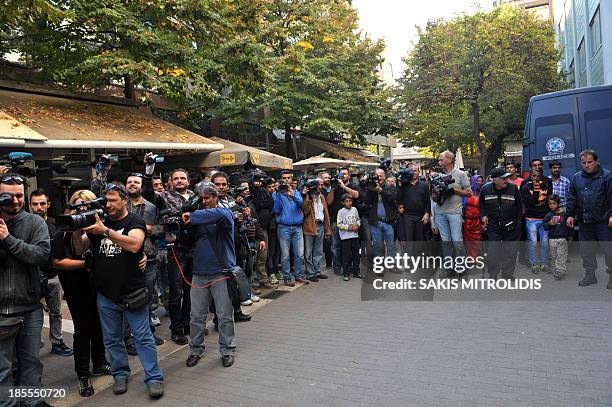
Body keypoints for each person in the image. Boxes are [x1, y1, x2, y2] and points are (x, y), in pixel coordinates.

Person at [72, 182, 164, 398]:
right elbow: (79, 248)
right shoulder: (98, 222)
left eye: (114, 200)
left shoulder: (134, 220)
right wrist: (77, 229)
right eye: (106, 201)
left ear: (124, 200)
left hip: (133, 292)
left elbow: (134, 245)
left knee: (143, 338)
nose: (109, 204)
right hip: (106, 294)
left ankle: (154, 378)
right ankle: (120, 374)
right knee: (112, 339)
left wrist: (106, 231)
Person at [52, 190, 111, 397]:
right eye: (78, 205)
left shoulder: (99, 230)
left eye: (86, 205)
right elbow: (60, 260)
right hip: (77, 289)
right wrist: (86, 263)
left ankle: (100, 363)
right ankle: (83, 375)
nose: (83, 209)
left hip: (99, 286)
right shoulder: (63, 232)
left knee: (99, 327)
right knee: (83, 331)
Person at [0, 173, 51, 407]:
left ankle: (31, 402)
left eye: (20, 195)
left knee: (31, 363)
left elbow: (41, 255)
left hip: (29, 308)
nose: (15, 200)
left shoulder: (35, 223)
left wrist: (8, 239)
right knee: (3, 368)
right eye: (8, 196)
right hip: (1, 311)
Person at [183, 182, 236, 369]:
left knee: (224, 315)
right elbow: (187, 242)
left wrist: (191, 214)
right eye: (201, 198)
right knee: (196, 316)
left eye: (207, 198)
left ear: (215, 197)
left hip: (221, 272)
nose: (204, 202)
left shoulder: (224, 213)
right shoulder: (196, 218)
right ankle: (195, 350)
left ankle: (228, 350)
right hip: (199, 272)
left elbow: (220, 215)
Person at [142, 164, 194, 345]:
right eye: (176, 178)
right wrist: (149, 171)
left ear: (188, 181)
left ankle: (187, 323)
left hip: (194, 248)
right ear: (170, 182)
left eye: (183, 178)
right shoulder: (163, 196)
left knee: (190, 290)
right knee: (176, 291)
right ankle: (176, 329)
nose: (179, 181)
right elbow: (148, 193)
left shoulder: (196, 197)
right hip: (174, 248)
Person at [29, 189, 74, 357]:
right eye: (35, 204)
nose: (39, 207)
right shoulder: (26, 224)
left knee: (56, 312)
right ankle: (34, 342)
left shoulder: (56, 225)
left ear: (48, 205)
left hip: (53, 275)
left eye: (42, 203)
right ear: (30, 205)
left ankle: (57, 341)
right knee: (33, 313)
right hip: (32, 276)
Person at [125, 173, 164, 345]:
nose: (132, 184)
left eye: (136, 182)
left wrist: (148, 230)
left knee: (148, 298)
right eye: (129, 182)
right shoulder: (120, 205)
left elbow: (162, 229)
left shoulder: (151, 206)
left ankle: (148, 333)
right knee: (127, 299)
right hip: (125, 259)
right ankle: (128, 337)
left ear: (142, 186)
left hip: (149, 258)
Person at [566, 149, 612, 288]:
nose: (586, 165)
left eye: (590, 162)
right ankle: (590, 275)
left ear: (597, 161)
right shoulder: (576, 177)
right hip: (584, 221)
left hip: (603, 221)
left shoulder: (607, 176)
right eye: (583, 162)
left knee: (609, 250)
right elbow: (572, 197)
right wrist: (569, 214)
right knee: (586, 250)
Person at [479, 168, 523, 279]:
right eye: (504, 178)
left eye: (507, 177)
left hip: (511, 223)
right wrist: (483, 216)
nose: (507, 180)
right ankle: (493, 273)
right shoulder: (485, 189)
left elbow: (519, 206)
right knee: (493, 250)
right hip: (493, 224)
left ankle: (508, 274)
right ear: (494, 180)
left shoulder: (513, 188)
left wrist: (517, 222)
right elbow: (481, 205)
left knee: (511, 250)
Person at [435, 151, 471, 277]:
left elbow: (469, 193)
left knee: (457, 241)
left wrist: (453, 190)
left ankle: (462, 267)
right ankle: (448, 267)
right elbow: (434, 197)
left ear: (449, 160)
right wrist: (437, 191)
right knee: (446, 241)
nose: (439, 162)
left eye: (441, 159)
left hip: (454, 211)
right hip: (440, 212)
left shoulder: (461, 174)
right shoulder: (438, 175)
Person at [273, 171, 309, 286]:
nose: (286, 180)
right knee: (285, 255)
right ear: (281, 179)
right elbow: (276, 210)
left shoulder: (296, 192)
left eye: (288, 178)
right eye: (284, 178)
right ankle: (287, 278)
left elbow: (301, 204)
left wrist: (292, 195)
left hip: (297, 227)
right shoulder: (276, 194)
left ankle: (298, 276)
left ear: (291, 179)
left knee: (299, 254)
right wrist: (279, 195)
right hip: (284, 227)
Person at [325, 168, 360, 276]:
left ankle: (351, 268)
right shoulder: (335, 187)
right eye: (341, 174)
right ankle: (337, 267)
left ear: (349, 176)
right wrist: (333, 188)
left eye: (344, 174)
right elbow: (328, 202)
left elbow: (356, 195)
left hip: (351, 222)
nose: (342, 176)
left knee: (350, 249)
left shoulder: (353, 185)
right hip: (336, 220)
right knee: (336, 246)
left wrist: (344, 187)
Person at [365, 168, 397, 274]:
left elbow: (392, 198)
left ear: (384, 177)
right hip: (375, 222)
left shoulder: (390, 187)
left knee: (390, 245)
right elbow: (366, 202)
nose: (379, 178)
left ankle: (392, 266)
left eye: (381, 176)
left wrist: (380, 190)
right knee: (378, 246)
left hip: (388, 221)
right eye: (377, 176)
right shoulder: (370, 187)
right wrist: (371, 189)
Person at [521, 168, 551, 274]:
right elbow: (531, 203)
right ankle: (533, 263)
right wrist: (536, 190)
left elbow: (549, 201)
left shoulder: (547, 186)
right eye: (534, 176)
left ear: (541, 176)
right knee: (533, 242)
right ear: (530, 176)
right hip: (531, 219)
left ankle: (544, 263)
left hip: (544, 218)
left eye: (538, 176)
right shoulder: (525, 188)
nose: (536, 179)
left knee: (544, 243)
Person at [396, 163, 430, 256]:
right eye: (411, 171)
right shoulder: (404, 185)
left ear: (419, 172)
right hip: (407, 216)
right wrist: (399, 183)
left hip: (421, 216)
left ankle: (418, 259)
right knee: (409, 240)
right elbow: (398, 198)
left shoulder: (424, 185)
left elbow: (427, 201)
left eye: (415, 170)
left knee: (420, 239)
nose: (413, 173)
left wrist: (427, 213)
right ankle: (410, 261)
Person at [302, 179, 332, 282]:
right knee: (308, 252)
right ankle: (310, 273)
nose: (320, 187)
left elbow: (326, 213)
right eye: (318, 185)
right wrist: (308, 197)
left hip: (320, 225)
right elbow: (305, 211)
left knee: (318, 251)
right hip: (310, 226)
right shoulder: (308, 197)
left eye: (321, 185)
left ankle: (317, 271)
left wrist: (327, 229)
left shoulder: (322, 197)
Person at [543, 195, 569, 280]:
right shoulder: (549, 215)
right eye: (550, 204)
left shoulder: (565, 214)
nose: (551, 205)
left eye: (554, 203)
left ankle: (560, 272)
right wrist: (549, 224)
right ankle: (554, 269)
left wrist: (569, 234)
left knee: (561, 256)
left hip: (562, 238)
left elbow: (569, 225)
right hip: (552, 238)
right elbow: (545, 226)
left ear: (558, 204)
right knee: (553, 255)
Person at [337, 194, 361, 281]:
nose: (349, 203)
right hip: (345, 237)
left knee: (356, 254)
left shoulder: (354, 209)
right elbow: (339, 224)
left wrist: (357, 225)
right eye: (346, 201)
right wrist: (349, 228)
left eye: (350, 201)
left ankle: (356, 272)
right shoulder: (341, 212)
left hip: (355, 236)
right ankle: (346, 273)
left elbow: (358, 219)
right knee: (346, 255)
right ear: (343, 202)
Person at [462, 175, 483, 261]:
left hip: (478, 222)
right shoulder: (466, 192)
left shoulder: (483, 192)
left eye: (481, 181)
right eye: (477, 181)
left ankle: (475, 258)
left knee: (477, 241)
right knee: (467, 241)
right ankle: (469, 259)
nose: (479, 183)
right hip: (467, 222)